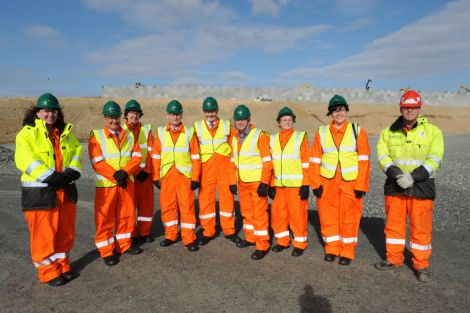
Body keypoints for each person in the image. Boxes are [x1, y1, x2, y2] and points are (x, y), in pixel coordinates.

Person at [375, 90, 444, 282]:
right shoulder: (388, 132)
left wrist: (414, 177)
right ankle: (394, 259)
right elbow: (383, 156)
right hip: (395, 186)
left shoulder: (433, 131)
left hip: (422, 187)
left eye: (413, 107)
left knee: (420, 228)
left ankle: (421, 266)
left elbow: (435, 159)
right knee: (393, 227)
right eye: (406, 107)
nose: (410, 111)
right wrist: (397, 175)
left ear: (419, 108)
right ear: (401, 108)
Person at [15, 93, 82, 286]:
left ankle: (62, 265)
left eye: (54, 111)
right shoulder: (26, 134)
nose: (50, 114)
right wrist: (51, 177)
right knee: (43, 234)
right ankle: (48, 271)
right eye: (46, 111)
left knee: (65, 231)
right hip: (41, 192)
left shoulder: (66, 134)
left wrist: (72, 172)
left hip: (65, 189)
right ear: (37, 113)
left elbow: (77, 152)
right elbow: (25, 159)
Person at [310, 95, 370, 265]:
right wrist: (315, 183)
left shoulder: (357, 130)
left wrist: (361, 184)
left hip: (350, 183)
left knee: (349, 216)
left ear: (346, 110)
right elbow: (314, 159)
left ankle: (347, 251)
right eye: (335, 110)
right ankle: (331, 248)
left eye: (341, 109)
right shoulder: (321, 133)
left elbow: (364, 160)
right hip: (327, 182)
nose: (339, 113)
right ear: (330, 113)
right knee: (327, 215)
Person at [89, 101, 143, 266]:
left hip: (126, 182)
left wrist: (125, 172)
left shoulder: (129, 135)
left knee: (126, 215)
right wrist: (116, 176)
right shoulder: (97, 136)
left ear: (121, 117)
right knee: (105, 218)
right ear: (105, 118)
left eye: (116, 117)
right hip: (107, 185)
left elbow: (137, 157)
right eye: (110, 117)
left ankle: (124, 245)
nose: (114, 121)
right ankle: (106, 250)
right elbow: (97, 161)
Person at [151, 100, 201, 252]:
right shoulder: (160, 132)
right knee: (168, 207)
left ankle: (189, 238)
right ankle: (171, 235)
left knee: (187, 207)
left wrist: (195, 178)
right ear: (167, 116)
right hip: (167, 176)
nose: (175, 117)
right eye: (172, 114)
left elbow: (196, 157)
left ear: (181, 115)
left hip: (184, 176)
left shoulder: (189, 133)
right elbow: (155, 156)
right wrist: (155, 176)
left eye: (177, 114)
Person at [193, 97, 241, 246]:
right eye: (207, 112)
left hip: (224, 167)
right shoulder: (197, 127)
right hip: (206, 167)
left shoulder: (227, 126)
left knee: (227, 198)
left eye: (212, 111)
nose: (210, 114)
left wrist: (234, 177)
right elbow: (193, 151)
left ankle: (229, 230)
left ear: (217, 110)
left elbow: (235, 147)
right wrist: (195, 175)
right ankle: (208, 231)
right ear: (203, 112)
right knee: (205, 199)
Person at [230, 104, 273, 260]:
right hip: (242, 182)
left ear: (249, 120)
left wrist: (264, 182)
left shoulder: (259, 135)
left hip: (256, 182)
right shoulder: (235, 138)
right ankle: (250, 237)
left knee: (259, 213)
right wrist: (232, 181)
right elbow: (233, 161)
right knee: (247, 213)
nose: (240, 122)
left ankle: (262, 244)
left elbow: (267, 161)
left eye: (243, 119)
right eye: (238, 120)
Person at [269, 107, 310, 257]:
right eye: (284, 119)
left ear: (293, 121)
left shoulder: (300, 137)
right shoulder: (272, 139)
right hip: (279, 185)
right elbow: (270, 164)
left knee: (297, 215)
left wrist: (306, 184)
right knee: (278, 214)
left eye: (289, 119)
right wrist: (271, 184)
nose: (287, 122)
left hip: (296, 186)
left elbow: (306, 162)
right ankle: (282, 241)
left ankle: (299, 243)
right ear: (278, 122)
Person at [123, 99, 155, 244]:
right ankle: (131, 234)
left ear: (140, 115)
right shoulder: (121, 130)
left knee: (146, 204)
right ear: (126, 115)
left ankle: (144, 232)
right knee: (129, 206)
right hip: (129, 175)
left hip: (144, 175)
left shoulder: (146, 129)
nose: (134, 116)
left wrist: (147, 170)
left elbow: (152, 151)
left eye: (136, 113)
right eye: (131, 113)